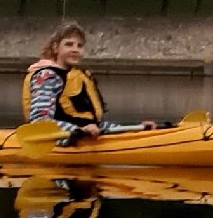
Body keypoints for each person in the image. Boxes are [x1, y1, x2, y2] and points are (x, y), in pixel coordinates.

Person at [20, 22, 148, 143]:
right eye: (69, 44)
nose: (75, 50)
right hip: (60, 140)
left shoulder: (79, 77)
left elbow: (94, 123)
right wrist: (78, 131)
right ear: (55, 48)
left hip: (84, 137)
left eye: (79, 46)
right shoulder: (47, 76)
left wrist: (136, 129)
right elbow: (40, 122)